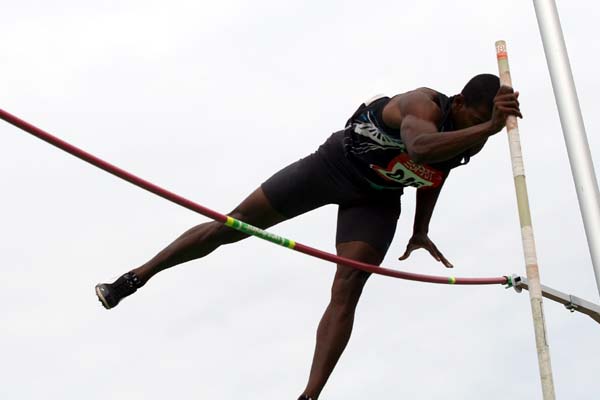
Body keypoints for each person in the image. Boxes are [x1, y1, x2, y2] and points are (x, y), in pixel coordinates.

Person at [95, 74, 521, 399]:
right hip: (331, 168)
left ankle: (309, 396)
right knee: (233, 225)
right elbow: (421, 149)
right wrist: (487, 128)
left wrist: (420, 229)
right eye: (475, 119)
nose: (480, 128)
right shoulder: (421, 104)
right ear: (459, 102)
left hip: (375, 199)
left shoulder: (474, 137)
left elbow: (434, 171)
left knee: (348, 286)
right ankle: (135, 278)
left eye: (485, 123)